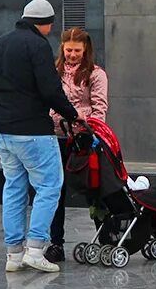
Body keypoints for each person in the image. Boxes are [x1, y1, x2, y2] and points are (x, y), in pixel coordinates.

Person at [0, 0, 79, 273]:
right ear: (46, 23)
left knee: (14, 188)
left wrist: (6, 110)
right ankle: (35, 249)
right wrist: (71, 114)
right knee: (49, 186)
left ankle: (13, 254)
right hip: (33, 132)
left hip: (1, 130)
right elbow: (50, 89)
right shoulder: (37, 46)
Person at [46, 27, 109, 262]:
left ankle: (105, 237)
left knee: (95, 188)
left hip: (84, 137)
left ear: (86, 50)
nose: (72, 54)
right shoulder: (54, 71)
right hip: (56, 136)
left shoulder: (95, 74)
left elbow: (100, 108)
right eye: (68, 50)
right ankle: (56, 243)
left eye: (77, 51)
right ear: (62, 48)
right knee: (56, 191)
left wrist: (91, 130)